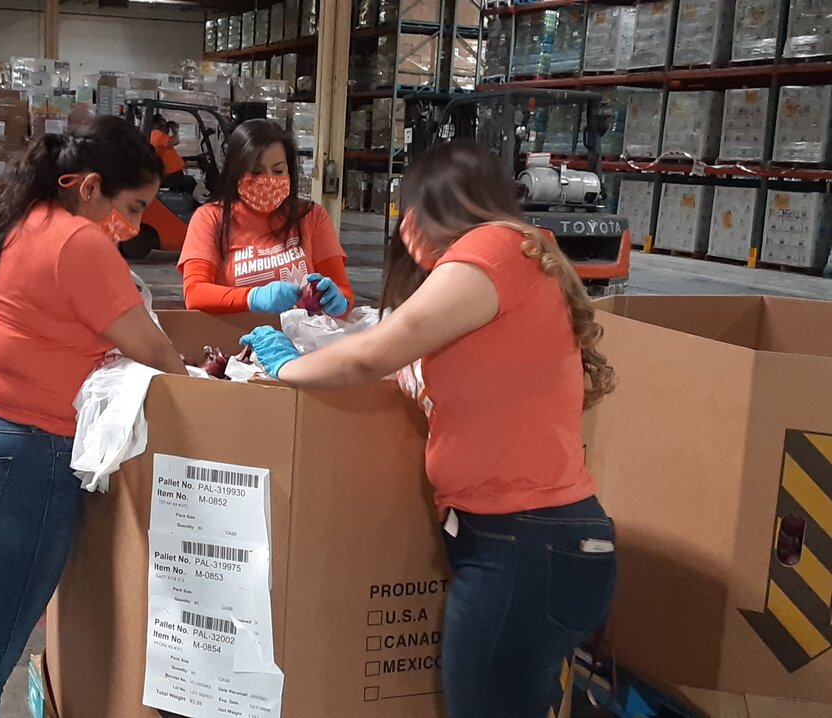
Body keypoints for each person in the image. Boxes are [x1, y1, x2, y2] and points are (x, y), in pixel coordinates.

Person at [241, 141, 617, 718]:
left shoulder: (495, 249)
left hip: (523, 548)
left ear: (424, 212)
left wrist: (288, 366)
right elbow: (414, 363)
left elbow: (377, 355)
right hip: (527, 545)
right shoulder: (511, 264)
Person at [0, 116, 185, 718]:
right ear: (89, 187)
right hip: (14, 459)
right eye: (133, 206)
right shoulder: (77, 242)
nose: (135, 225)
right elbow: (157, 352)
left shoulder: (3, 214)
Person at [179, 118, 353, 316]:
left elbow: (344, 292)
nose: (268, 179)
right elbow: (194, 293)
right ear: (236, 172)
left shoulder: (312, 216)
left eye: (278, 170)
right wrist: (252, 297)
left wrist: (339, 302)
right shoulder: (210, 218)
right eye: (256, 171)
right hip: (236, 338)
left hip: (304, 338)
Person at [150, 114, 196, 195]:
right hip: (169, 174)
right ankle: (185, 204)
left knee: (186, 183)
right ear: (156, 124)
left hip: (171, 173)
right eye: (163, 122)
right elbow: (175, 141)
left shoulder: (157, 135)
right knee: (190, 182)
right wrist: (175, 130)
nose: (164, 124)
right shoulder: (155, 134)